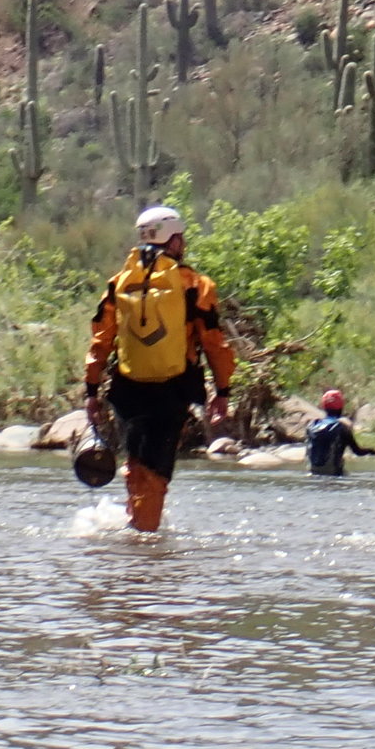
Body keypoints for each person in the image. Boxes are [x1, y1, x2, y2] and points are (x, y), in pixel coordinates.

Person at [84, 205, 237, 532]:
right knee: (157, 469)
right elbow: (214, 342)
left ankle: (135, 528)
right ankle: (145, 543)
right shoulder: (196, 284)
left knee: (137, 460)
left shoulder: (119, 282)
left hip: (127, 388)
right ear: (174, 240)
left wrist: (91, 391)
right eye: (180, 237)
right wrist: (222, 391)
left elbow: (101, 339)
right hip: (172, 388)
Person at [304, 389, 375, 477]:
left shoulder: (312, 426)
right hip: (334, 473)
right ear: (341, 407)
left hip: (313, 471)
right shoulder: (342, 428)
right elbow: (357, 451)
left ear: (324, 407)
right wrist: (372, 451)